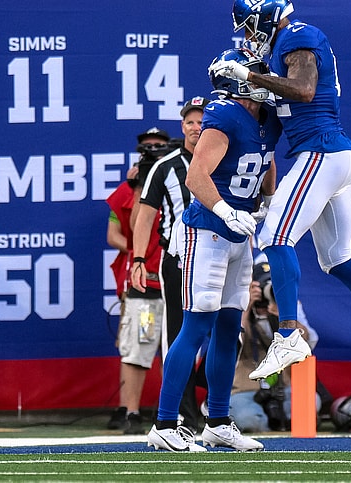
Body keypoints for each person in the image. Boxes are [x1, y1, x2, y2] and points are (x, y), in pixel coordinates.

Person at [211, 0, 351, 395]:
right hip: (335, 154)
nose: (247, 35)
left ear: (264, 18)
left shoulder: (296, 36)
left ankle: (289, 334)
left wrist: (246, 74)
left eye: (248, 26)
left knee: (275, 236)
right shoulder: (286, 46)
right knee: (337, 257)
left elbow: (304, 90)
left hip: (321, 151)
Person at [146, 47, 280, 452]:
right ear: (238, 81)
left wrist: (269, 203)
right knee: (197, 326)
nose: (263, 79)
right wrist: (223, 209)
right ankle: (165, 424)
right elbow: (196, 176)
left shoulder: (267, 119)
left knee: (229, 330)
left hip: (241, 233)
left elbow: (266, 161)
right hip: (206, 232)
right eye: (255, 74)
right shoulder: (222, 115)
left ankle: (218, 421)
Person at [131, 96, 210, 431]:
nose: (195, 127)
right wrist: (137, 259)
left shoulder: (224, 157)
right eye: (190, 122)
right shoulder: (165, 165)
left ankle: (209, 405)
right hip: (177, 260)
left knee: (229, 333)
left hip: (216, 257)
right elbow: (145, 217)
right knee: (177, 336)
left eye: (201, 120)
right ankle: (182, 415)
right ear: (182, 127)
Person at [104, 127, 172, 434]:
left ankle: (174, 411)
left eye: (158, 146)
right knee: (139, 344)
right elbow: (124, 231)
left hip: (176, 280)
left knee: (176, 348)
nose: (153, 151)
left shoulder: (178, 177)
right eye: (147, 148)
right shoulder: (128, 190)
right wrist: (137, 186)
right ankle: (130, 411)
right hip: (146, 282)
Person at [230, 257, 320, 433]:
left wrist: (287, 318)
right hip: (246, 388)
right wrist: (246, 306)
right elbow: (233, 339)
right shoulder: (239, 302)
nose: (268, 292)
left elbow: (309, 341)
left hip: (282, 386)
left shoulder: (288, 305)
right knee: (251, 422)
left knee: (309, 403)